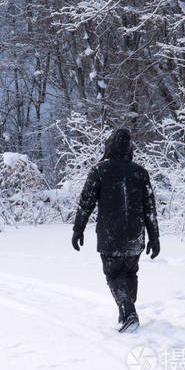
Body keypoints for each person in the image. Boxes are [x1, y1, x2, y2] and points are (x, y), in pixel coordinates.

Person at [71, 128, 160, 333]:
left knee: (113, 275)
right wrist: (154, 238)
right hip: (135, 236)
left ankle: (128, 311)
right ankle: (127, 312)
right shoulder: (140, 173)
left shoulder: (99, 170)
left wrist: (78, 229)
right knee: (130, 272)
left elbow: (86, 203)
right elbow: (151, 209)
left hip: (111, 236)